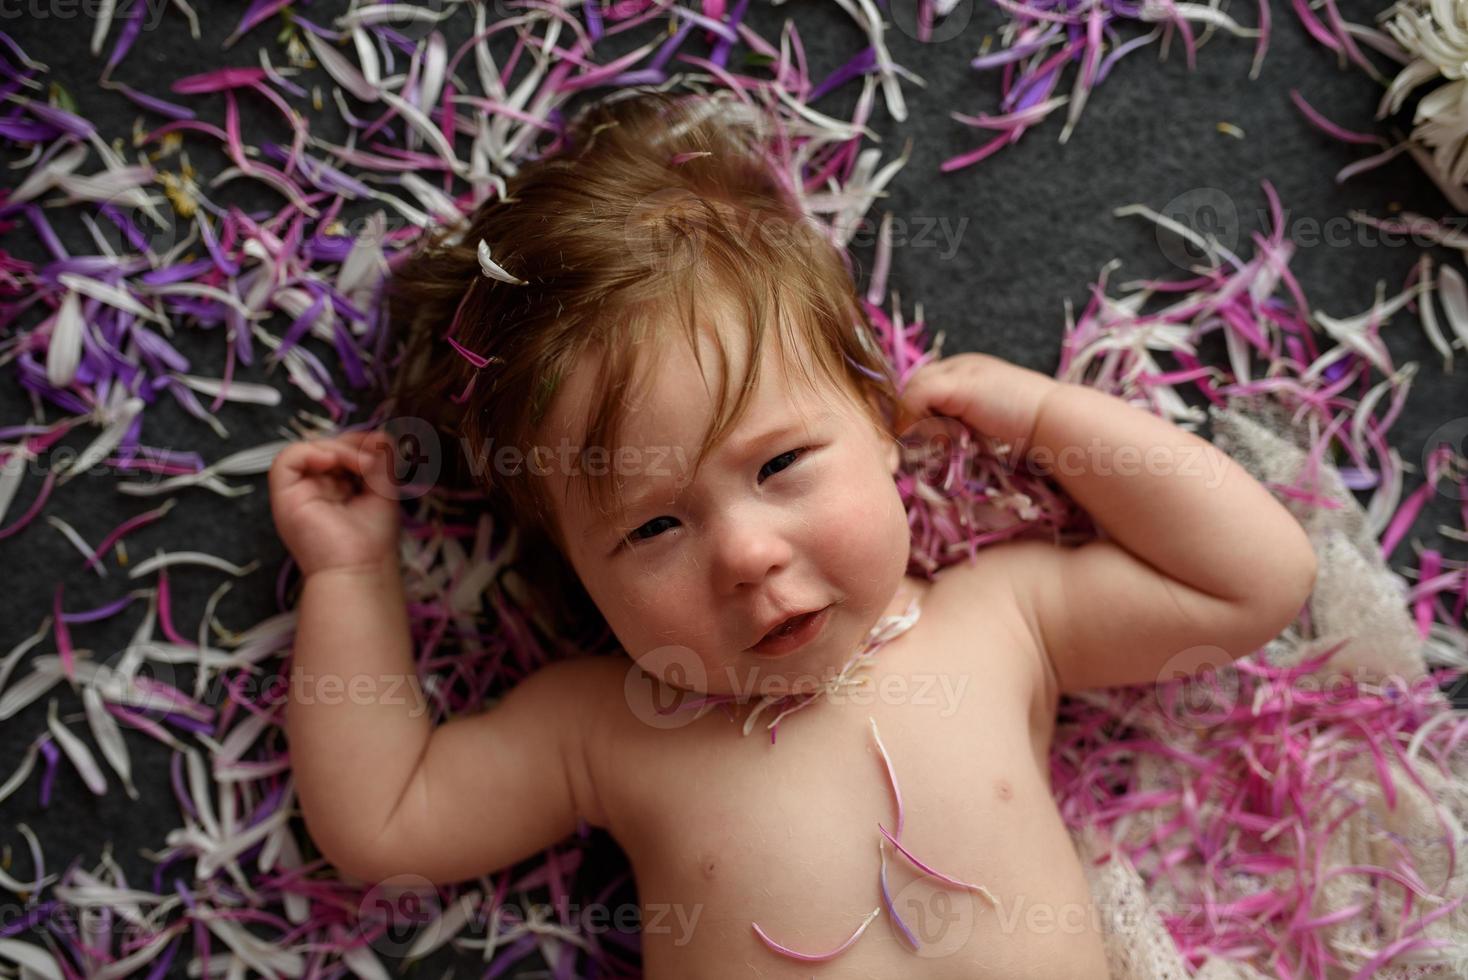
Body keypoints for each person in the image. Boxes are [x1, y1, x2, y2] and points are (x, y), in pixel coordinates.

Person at [267, 87, 1317, 978]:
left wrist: (1046, 419)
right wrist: (351, 576)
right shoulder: (614, 726)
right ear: (578, 571)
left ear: (879, 420)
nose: (746, 553)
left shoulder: (1001, 621)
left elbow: (1255, 581)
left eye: (778, 466)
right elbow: (383, 819)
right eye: (652, 527)